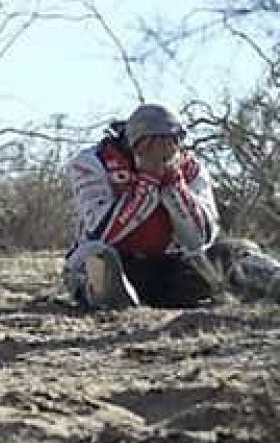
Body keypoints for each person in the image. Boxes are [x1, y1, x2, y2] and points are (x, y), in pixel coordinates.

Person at [63, 103, 280, 308]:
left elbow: (201, 238)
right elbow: (102, 232)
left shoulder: (192, 169)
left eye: (171, 141)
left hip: (173, 268)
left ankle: (273, 282)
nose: (161, 149)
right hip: (119, 261)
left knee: (235, 251)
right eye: (149, 142)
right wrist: (147, 183)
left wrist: (174, 186)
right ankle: (108, 297)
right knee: (97, 256)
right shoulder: (92, 163)